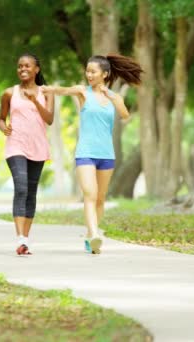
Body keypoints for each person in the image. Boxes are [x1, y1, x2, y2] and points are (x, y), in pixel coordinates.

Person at [41, 54, 142, 254]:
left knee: (100, 199)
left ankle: (90, 237)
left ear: (105, 74)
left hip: (106, 154)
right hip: (85, 152)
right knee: (90, 194)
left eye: (93, 72)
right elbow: (63, 90)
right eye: (87, 71)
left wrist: (111, 95)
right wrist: (46, 88)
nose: (89, 75)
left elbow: (124, 114)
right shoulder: (82, 92)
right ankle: (95, 234)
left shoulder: (114, 97)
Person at [0, 53, 54, 255]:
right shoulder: (8, 93)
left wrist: (35, 101)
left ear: (36, 69)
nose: (22, 69)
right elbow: (1, 119)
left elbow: (49, 119)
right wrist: (3, 127)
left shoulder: (46, 92)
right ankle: (20, 238)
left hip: (38, 146)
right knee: (21, 188)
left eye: (27, 66)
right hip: (16, 145)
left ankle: (26, 241)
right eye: (20, 66)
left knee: (31, 192)